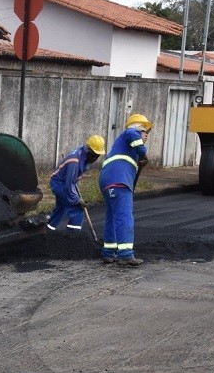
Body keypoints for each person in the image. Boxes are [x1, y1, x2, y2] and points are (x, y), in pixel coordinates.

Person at [98, 114, 151, 266]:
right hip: (118, 181)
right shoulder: (130, 134)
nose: (146, 135)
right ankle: (126, 254)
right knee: (124, 216)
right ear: (138, 128)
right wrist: (143, 152)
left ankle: (109, 252)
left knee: (112, 217)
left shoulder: (124, 146)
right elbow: (131, 132)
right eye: (144, 131)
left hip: (106, 180)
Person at [46, 135, 105, 233]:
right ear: (88, 150)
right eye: (94, 154)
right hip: (60, 184)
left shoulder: (84, 155)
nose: (95, 158)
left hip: (62, 182)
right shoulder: (75, 161)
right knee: (77, 210)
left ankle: (48, 229)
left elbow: (72, 181)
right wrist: (77, 200)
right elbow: (68, 185)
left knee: (61, 207)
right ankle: (73, 237)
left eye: (97, 155)